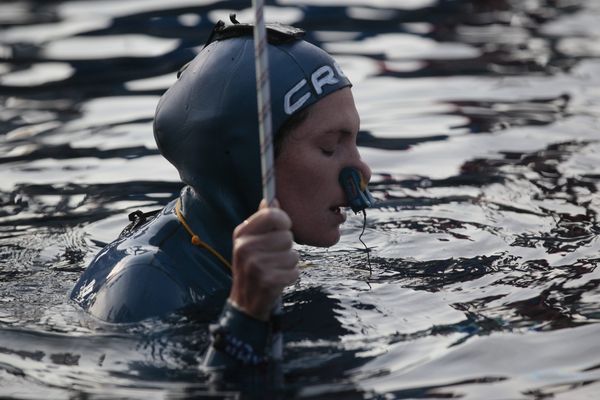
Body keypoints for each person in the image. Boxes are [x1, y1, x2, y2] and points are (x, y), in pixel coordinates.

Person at [70, 19, 372, 368]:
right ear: (247, 161)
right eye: (329, 146)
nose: (362, 171)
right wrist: (246, 314)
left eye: (354, 141)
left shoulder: (218, 245)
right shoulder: (144, 287)